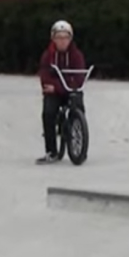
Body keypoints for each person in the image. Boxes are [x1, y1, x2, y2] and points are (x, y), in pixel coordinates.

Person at [37, 19, 87, 164]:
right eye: (59, 37)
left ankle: (80, 142)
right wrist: (55, 87)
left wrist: (61, 86)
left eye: (65, 37)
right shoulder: (48, 56)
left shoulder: (77, 55)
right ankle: (51, 151)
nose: (62, 41)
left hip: (70, 89)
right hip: (53, 92)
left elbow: (79, 78)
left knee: (79, 107)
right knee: (48, 113)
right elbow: (45, 77)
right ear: (53, 39)